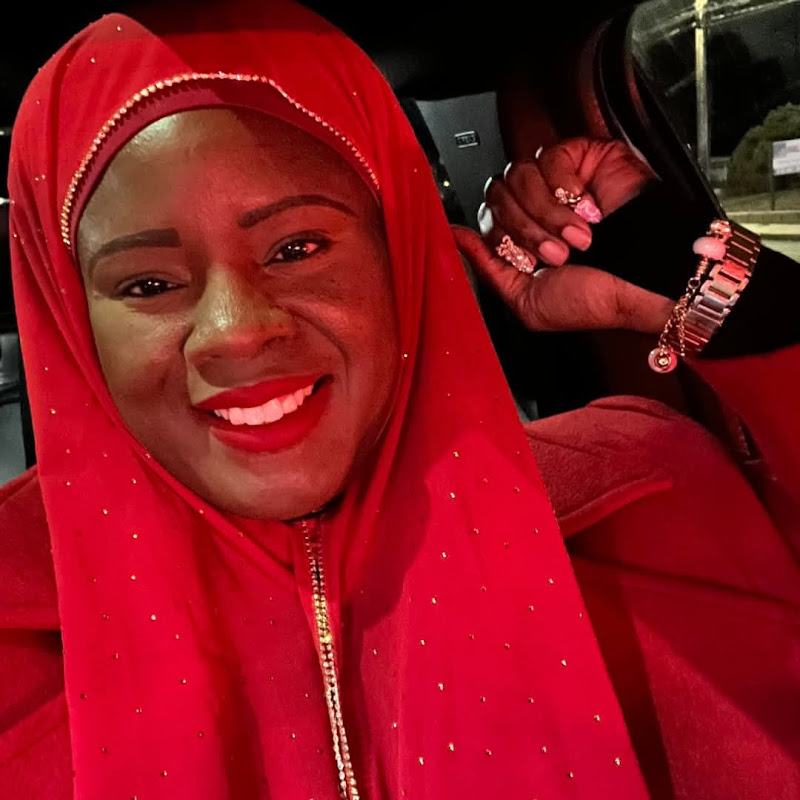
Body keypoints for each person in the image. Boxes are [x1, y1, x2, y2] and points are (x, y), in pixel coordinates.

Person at [1, 1, 799, 798]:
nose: (235, 332)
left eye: (297, 247)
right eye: (147, 285)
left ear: (402, 252)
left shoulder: (652, 485)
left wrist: (710, 295)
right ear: (70, 318)